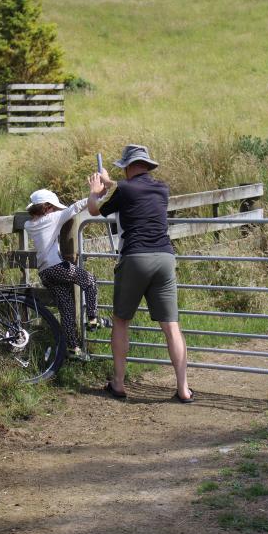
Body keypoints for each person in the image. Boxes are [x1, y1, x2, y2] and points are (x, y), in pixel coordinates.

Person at [87, 144, 193, 402]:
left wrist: (95, 191)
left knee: (121, 321)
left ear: (127, 167)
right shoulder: (162, 189)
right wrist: (112, 183)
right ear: (147, 166)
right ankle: (183, 389)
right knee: (172, 327)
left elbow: (95, 210)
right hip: (165, 258)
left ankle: (119, 384)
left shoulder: (124, 189)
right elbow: (132, 189)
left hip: (135, 257)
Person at [25, 184, 104, 355]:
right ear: (47, 208)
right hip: (57, 267)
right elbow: (75, 208)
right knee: (89, 280)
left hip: (44, 273)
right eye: (53, 207)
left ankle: (73, 347)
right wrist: (94, 195)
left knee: (66, 308)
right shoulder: (52, 218)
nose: (55, 210)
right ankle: (93, 318)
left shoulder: (28, 225)